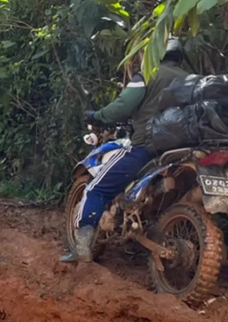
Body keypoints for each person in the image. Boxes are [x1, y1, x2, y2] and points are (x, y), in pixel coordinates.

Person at [61, 38, 189, 264]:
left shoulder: (149, 74)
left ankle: (81, 249)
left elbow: (122, 107)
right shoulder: (191, 80)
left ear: (155, 53)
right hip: (184, 151)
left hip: (147, 148)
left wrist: (97, 116)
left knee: (96, 189)